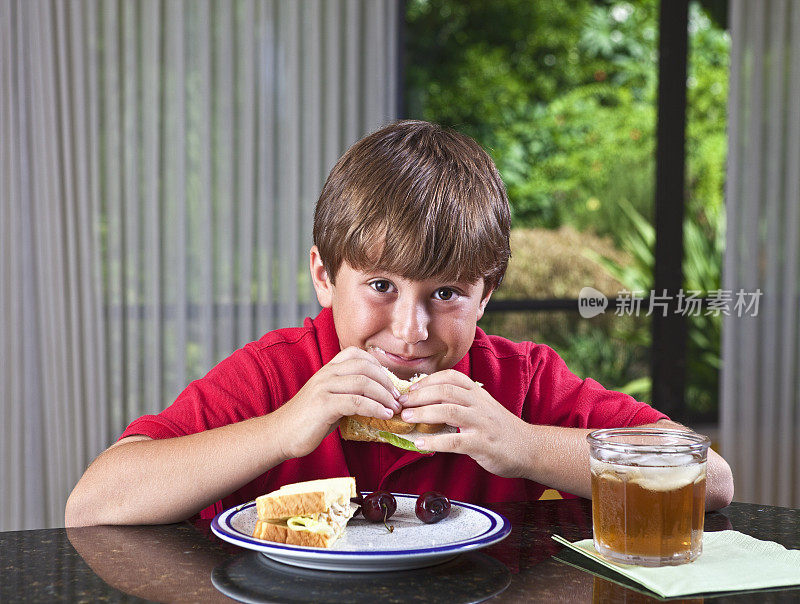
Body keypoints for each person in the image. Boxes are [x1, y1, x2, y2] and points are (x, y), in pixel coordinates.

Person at [65, 120, 733, 526]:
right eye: (380, 286)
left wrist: (524, 445)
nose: (411, 329)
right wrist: (280, 431)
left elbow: (716, 480)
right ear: (325, 276)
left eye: (445, 293)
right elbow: (91, 506)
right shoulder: (277, 374)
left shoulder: (519, 381)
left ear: (486, 293)